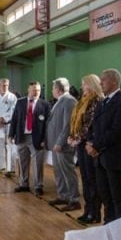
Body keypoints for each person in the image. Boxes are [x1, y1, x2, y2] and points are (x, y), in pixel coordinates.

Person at [86, 68, 121, 222]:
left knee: (119, 198)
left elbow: (117, 131)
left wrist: (96, 146)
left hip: (115, 159)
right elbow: (93, 126)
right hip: (100, 158)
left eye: (104, 79)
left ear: (114, 81)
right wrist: (90, 142)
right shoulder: (103, 102)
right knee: (106, 197)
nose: (100, 83)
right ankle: (109, 227)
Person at [67, 74, 104, 224]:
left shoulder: (96, 100)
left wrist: (77, 138)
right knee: (85, 178)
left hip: (89, 144)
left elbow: (90, 123)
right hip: (80, 144)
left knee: (92, 180)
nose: (82, 87)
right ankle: (88, 210)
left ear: (92, 85)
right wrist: (72, 136)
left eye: (85, 84)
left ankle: (94, 213)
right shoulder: (82, 100)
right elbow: (76, 121)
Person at [9, 81, 50, 196]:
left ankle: (38, 186)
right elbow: (15, 119)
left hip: (36, 138)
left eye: (38, 90)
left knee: (37, 163)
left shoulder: (45, 104)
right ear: (28, 90)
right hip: (22, 136)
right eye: (34, 90)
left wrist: (44, 140)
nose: (36, 92)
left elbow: (47, 124)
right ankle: (24, 184)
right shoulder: (20, 102)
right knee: (22, 162)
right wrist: (11, 134)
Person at [45, 78, 79, 211]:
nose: (52, 90)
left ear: (58, 89)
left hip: (63, 145)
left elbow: (68, 125)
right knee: (58, 171)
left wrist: (60, 142)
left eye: (53, 88)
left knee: (67, 172)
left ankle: (74, 199)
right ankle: (63, 195)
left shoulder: (69, 101)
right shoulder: (60, 101)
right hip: (55, 144)